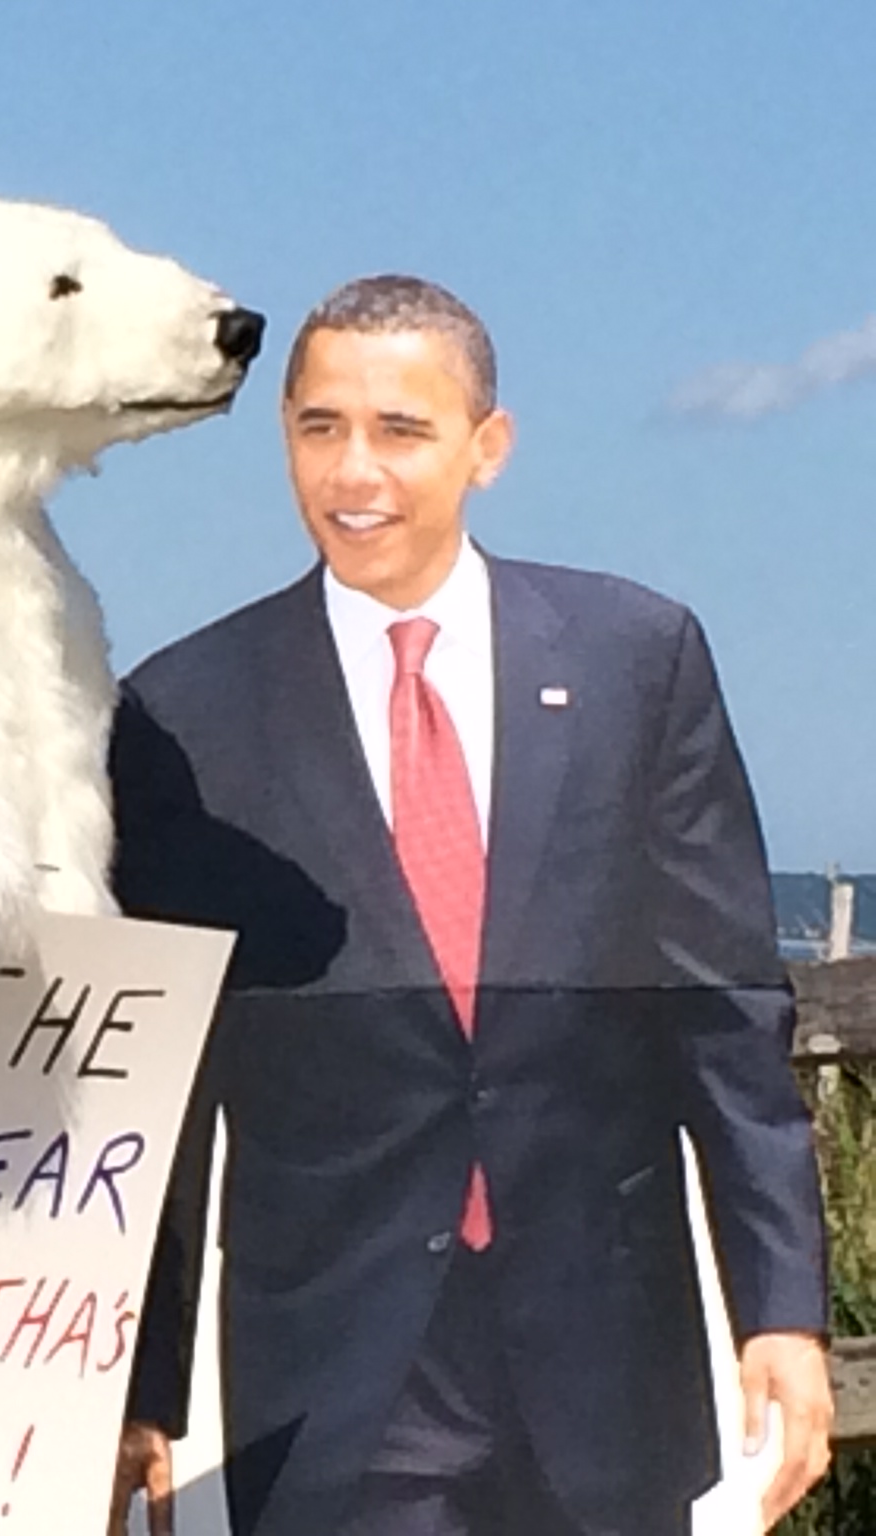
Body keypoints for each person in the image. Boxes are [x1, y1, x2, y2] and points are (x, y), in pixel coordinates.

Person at [106, 276, 833, 1536]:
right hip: (329, 1372)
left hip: (605, 1354)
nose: (352, 472)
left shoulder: (634, 659)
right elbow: (157, 1085)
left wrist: (781, 1306)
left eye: (399, 430)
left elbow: (720, 1009)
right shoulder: (182, 713)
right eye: (317, 427)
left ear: (484, 447)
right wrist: (138, 1383)